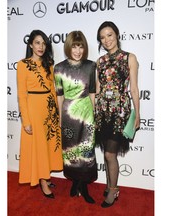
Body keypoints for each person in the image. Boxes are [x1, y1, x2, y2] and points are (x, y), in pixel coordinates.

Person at [95, 21, 140, 208]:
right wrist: (93, 111)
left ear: (117, 35)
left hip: (120, 113)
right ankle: (109, 185)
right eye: (102, 37)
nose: (107, 40)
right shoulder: (100, 62)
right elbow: (97, 90)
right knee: (107, 154)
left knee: (110, 154)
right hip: (102, 112)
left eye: (110, 35)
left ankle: (113, 190)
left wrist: (137, 114)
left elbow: (134, 89)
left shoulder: (129, 58)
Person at [16, 29, 63, 199]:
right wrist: (25, 120)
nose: (41, 46)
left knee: (48, 145)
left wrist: (56, 113)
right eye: (37, 43)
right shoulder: (23, 64)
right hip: (34, 110)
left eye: (43, 43)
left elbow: (52, 90)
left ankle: (45, 175)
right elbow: (21, 94)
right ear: (30, 44)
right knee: (39, 147)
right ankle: (43, 181)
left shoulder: (49, 64)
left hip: (48, 109)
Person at [54, 31, 97, 204]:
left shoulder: (91, 66)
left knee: (86, 150)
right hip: (68, 114)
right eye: (74, 46)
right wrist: (59, 118)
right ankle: (75, 182)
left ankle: (83, 185)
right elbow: (60, 96)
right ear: (68, 47)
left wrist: (92, 115)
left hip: (86, 113)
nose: (78, 50)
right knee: (71, 149)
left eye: (80, 46)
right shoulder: (59, 68)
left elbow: (93, 93)